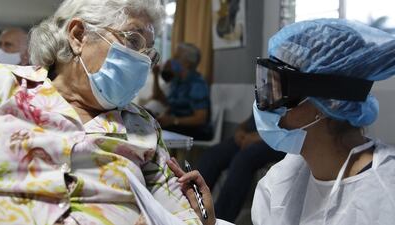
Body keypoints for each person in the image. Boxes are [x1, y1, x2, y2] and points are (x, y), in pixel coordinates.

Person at [167, 18, 395, 225]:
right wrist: (212, 223)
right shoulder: (284, 177)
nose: (261, 104)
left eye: (275, 90)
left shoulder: (384, 197)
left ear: (330, 103)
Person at [0, 0, 202, 224]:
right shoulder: (5, 86)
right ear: (78, 36)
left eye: (149, 52)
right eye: (133, 40)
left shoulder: (142, 125)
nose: (143, 61)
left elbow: (181, 214)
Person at [196, 112, 285, 222]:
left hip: (278, 141)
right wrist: (240, 130)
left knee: (243, 159)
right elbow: (251, 120)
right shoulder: (265, 96)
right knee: (212, 155)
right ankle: (193, 207)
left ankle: (220, 219)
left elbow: (291, 128)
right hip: (251, 135)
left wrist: (259, 137)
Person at [154, 43, 212, 140]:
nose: (172, 60)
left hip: (196, 129)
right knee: (147, 120)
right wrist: (164, 117)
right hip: (178, 124)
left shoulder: (197, 84)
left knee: (153, 131)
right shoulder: (177, 80)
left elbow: (200, 119)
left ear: (187, 63)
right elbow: (168, 103)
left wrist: (173, 120)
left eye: (176, 57)